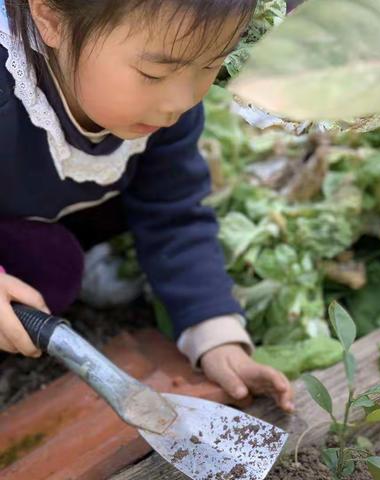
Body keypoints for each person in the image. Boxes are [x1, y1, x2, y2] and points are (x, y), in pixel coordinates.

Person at [0, 0, 294, 412]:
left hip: (40, 201)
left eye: (210, 66)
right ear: (49, 18)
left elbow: (174, 209)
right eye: (154, 73)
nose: (179, 101)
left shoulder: (162, 112)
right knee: (51, 270)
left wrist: (216, 337)